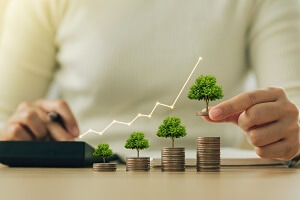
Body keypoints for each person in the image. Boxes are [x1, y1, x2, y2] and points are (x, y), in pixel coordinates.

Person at [0, 0, 299, 161]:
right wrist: (17, 133)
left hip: (214, 173)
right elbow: (4, 118)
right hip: (86, 170)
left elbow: (293, 106)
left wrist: (286, 131)